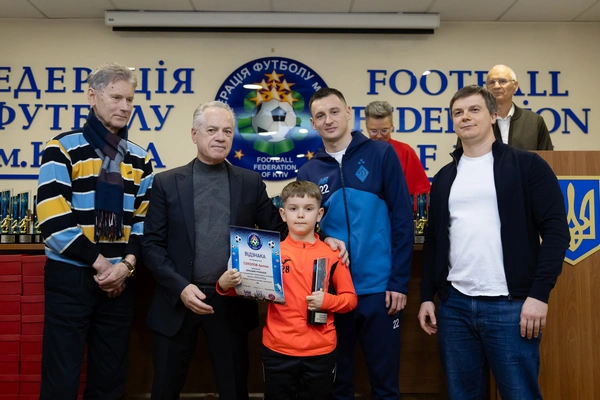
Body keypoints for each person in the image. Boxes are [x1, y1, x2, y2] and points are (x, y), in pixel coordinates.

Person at [142, 100, 347, 400]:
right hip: (178, 300)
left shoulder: (249, 182)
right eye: (212, 130)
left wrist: (324, 237)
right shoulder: (166, 182)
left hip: (231, 304)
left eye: (227, 131)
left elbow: (280, 229)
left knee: (234, 389)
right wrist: (181, 287)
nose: (220, 137)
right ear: (194, 134)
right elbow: (151, 244)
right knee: (164, 389)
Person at [418, 85, 569, 400]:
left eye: (474, 110)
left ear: (493, 115)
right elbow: (433, 239)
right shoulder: (444, 177)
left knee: (520, 394)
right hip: (455, 307)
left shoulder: (528, 165)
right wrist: (426, 297)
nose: (465, 117)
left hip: (511, 306)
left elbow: (556, 232)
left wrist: (539, 295)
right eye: (458, 112)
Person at [36, 62, 154, 399]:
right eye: (116, 97)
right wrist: (103, 266)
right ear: (92, 96)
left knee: (110, 381)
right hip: (71, 278)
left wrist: (125, 267)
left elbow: (144, 224)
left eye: (129, 100)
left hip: (120, 282)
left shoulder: (140, 159)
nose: (124, 107)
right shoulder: (61, 148)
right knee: (61, 380)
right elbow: (53, 221)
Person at [297, 88, 414, 399]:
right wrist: (324, 237)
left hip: (380, 290)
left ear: (348, 112)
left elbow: (403, 220)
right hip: (333, 293)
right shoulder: (309, 171)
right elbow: (303, 230)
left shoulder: (381, 154)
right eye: (320, 115)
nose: (329, 120)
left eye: (334, 111)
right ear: (313, 123)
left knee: (385, 387)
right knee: (338, 386)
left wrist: (398, 282)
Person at [218, 180, 357, 400]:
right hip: (278, 349)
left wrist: (327, 301)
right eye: (293, 209)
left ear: (319, 214)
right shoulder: (268, 252)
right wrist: (224, 285)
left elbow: (350, 300)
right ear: (283, 214)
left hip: (320, 351)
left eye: (308, 209)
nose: (300, 215)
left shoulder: (333, 254)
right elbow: (248, 289)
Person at [457, 64, 553, 150]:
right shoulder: (474, 121)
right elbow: (462, 157)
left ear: (515, 86)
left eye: (502, 81)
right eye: (492, 82)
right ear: (486, 88)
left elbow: (547, 158)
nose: (496, 86)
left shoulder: (534, 122)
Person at [365, 100, 430, 195]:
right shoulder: (359, 152)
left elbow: (419, 193)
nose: (379, 136)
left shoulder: (405, 151)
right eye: (373, 131)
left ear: (392, 126)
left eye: (384, 130)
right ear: (367, 128)